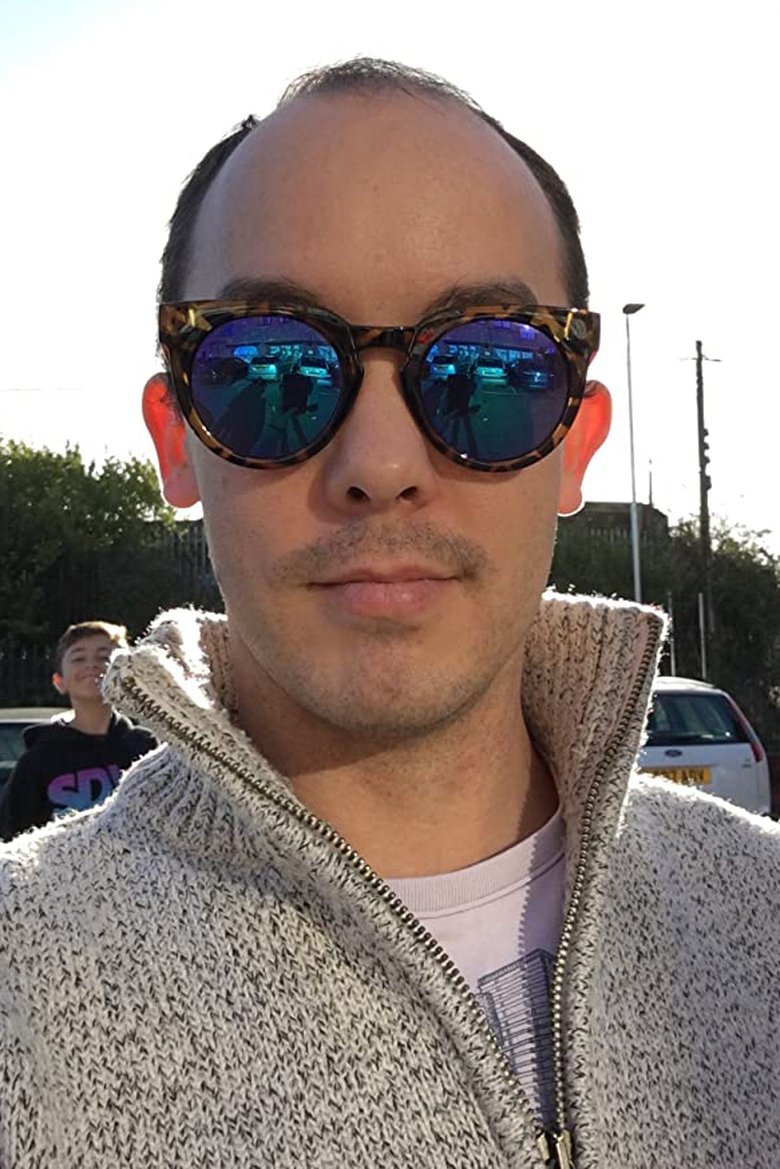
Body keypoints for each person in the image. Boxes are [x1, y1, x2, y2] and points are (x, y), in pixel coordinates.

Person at [1, 58, 778, 1169]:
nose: (379, 463)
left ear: (575, 442)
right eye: (270, 373)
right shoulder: (22, 1001)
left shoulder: (760, 916)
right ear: (175, 438)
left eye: (488, 371)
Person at [0, 621, 157, 841]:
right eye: (78, 658)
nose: (92, 664)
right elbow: (14, 839)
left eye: (105, 657)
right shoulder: (38, 761)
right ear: (59, 682)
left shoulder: (149, 748)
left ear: (128, 675)